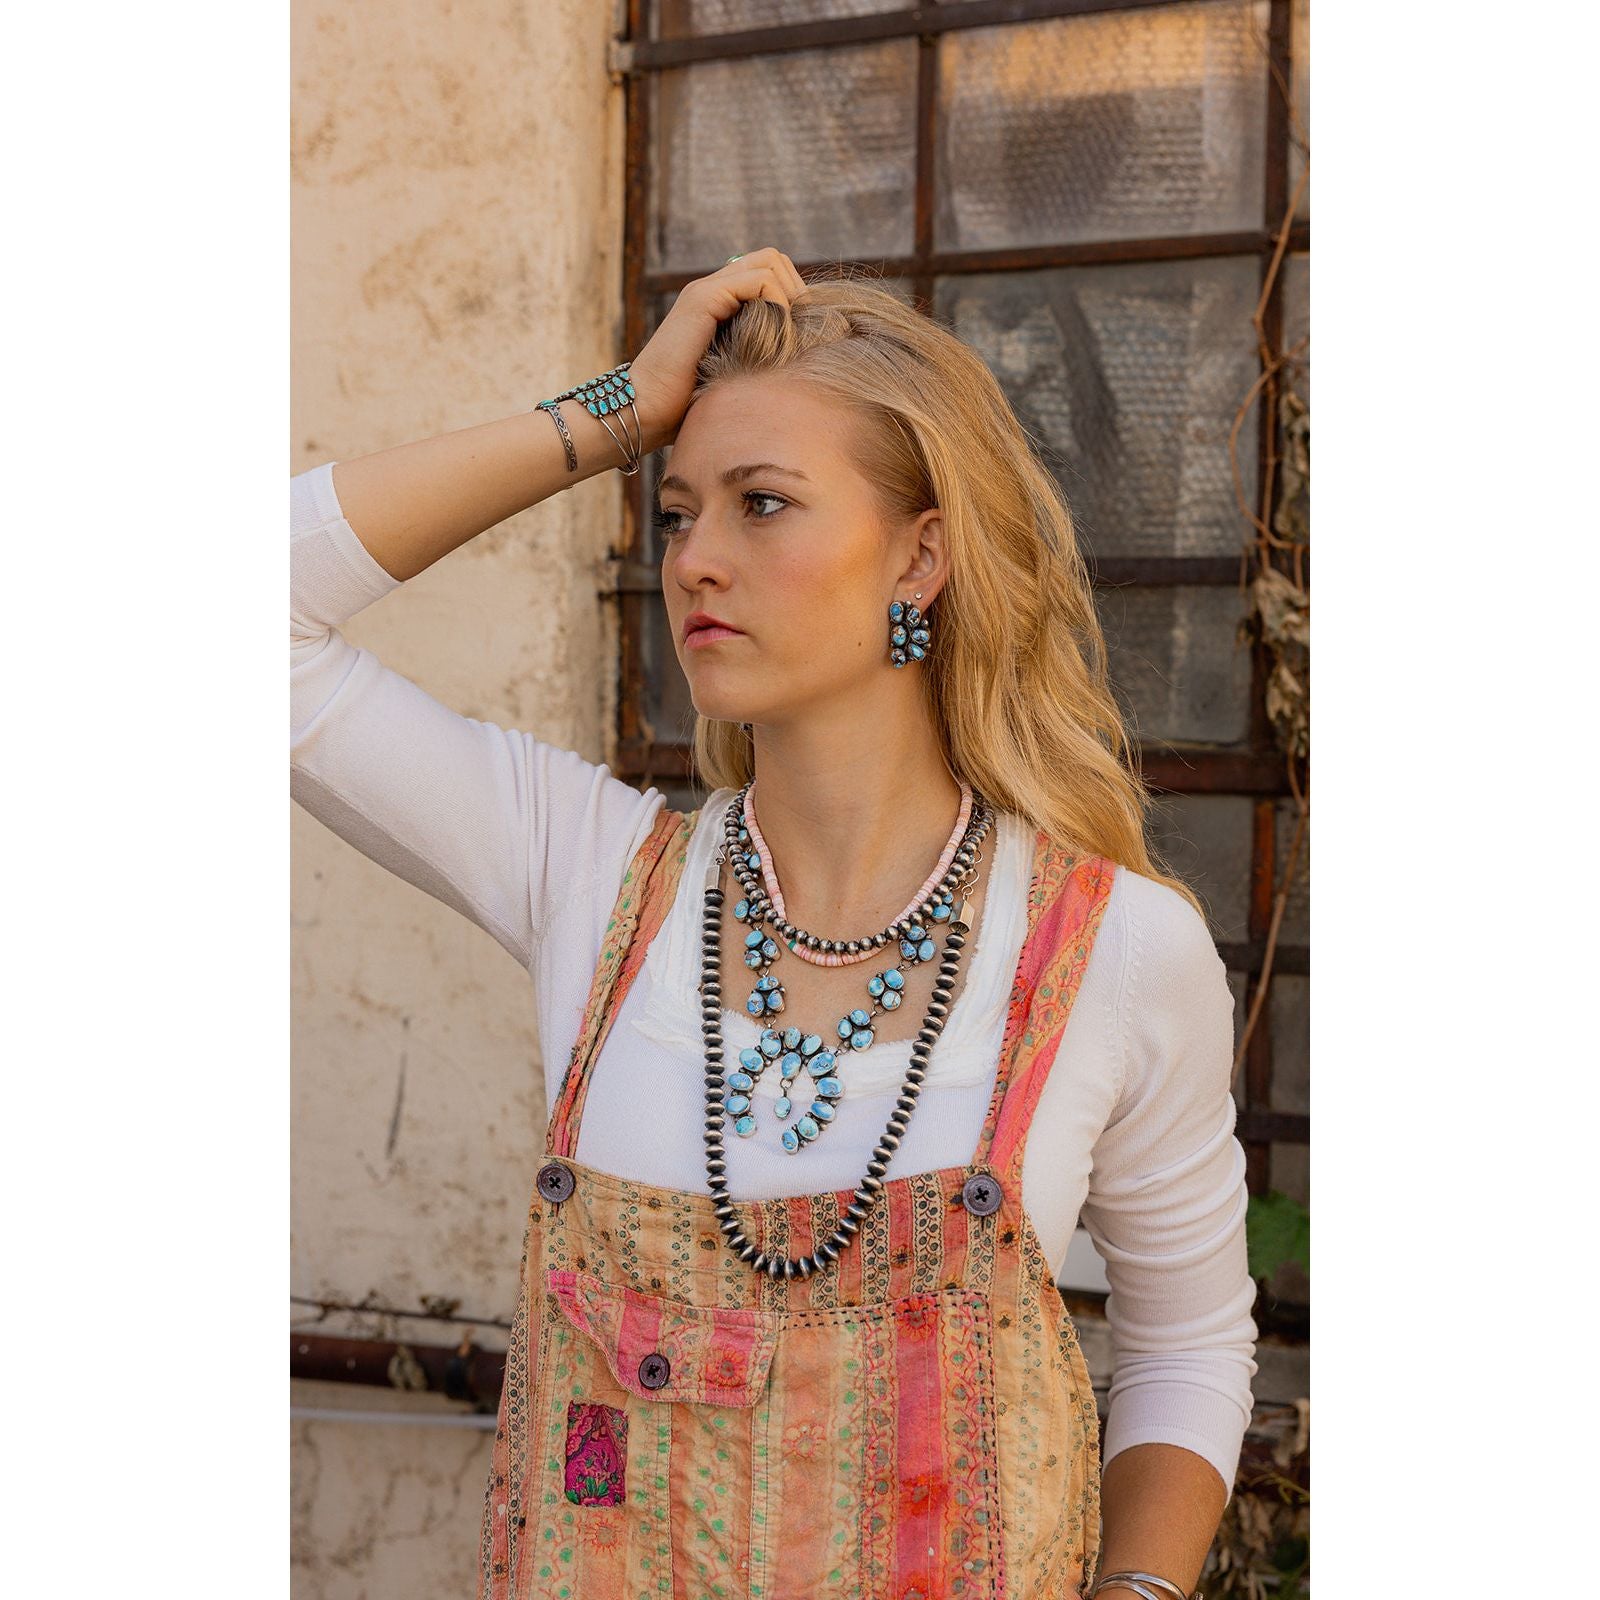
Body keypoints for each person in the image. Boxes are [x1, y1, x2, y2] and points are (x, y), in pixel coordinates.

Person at [291, 247, 1257, 1600]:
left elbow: (1189, 1351)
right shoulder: (591, 875)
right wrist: (616, 414)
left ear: (919, 557)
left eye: (763, 504)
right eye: (677, 512)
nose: (696, 560)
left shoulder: (1116, 951)